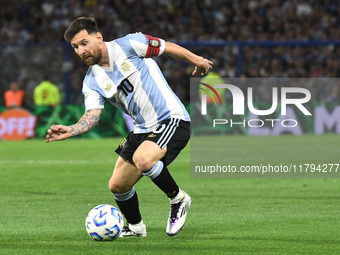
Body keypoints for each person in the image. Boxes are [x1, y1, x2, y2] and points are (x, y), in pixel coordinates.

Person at [45, 17, 213, 237]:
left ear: (98, 37)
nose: (80, 51)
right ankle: (135, 227)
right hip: (142, 130)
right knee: (117, 185)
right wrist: (71, 129)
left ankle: (178, 199)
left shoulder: (130, 44)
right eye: (75, 47)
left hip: (171, 119)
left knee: (143, 159)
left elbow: (167, 47)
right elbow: (92, 116)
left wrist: (197, 60)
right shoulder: (92, 81)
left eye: (84, 43)